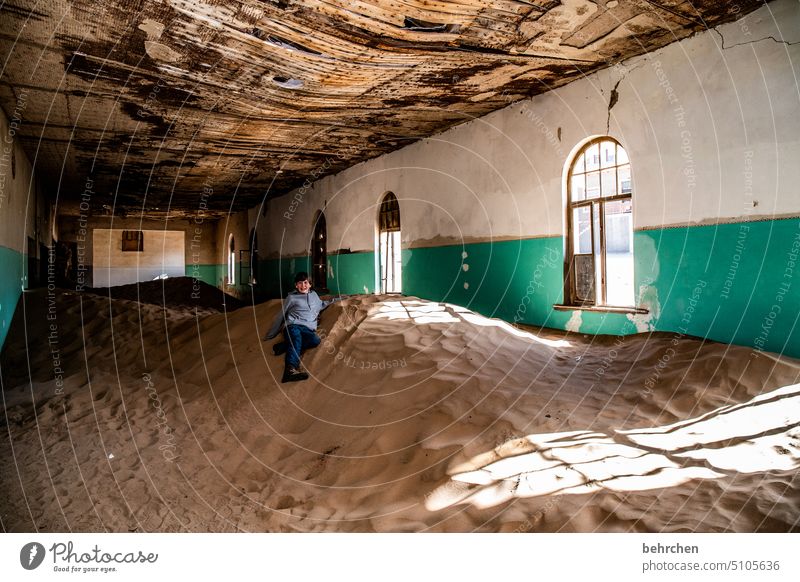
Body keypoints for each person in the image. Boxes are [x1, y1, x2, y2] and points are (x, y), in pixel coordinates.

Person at [264, 272, 340, 383]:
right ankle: (289, 371)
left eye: (305, 282)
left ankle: (284, 346)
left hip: (307, 329)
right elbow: (281, 314)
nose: (303, 285)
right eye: (300, 283)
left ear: (310, 284)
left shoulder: (314, 296)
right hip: (293, 326)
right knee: (296, 339)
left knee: (315, 341)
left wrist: (337, 299)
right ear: (296, 285)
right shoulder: (291, 298)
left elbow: (322, 304)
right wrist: (271, 334)